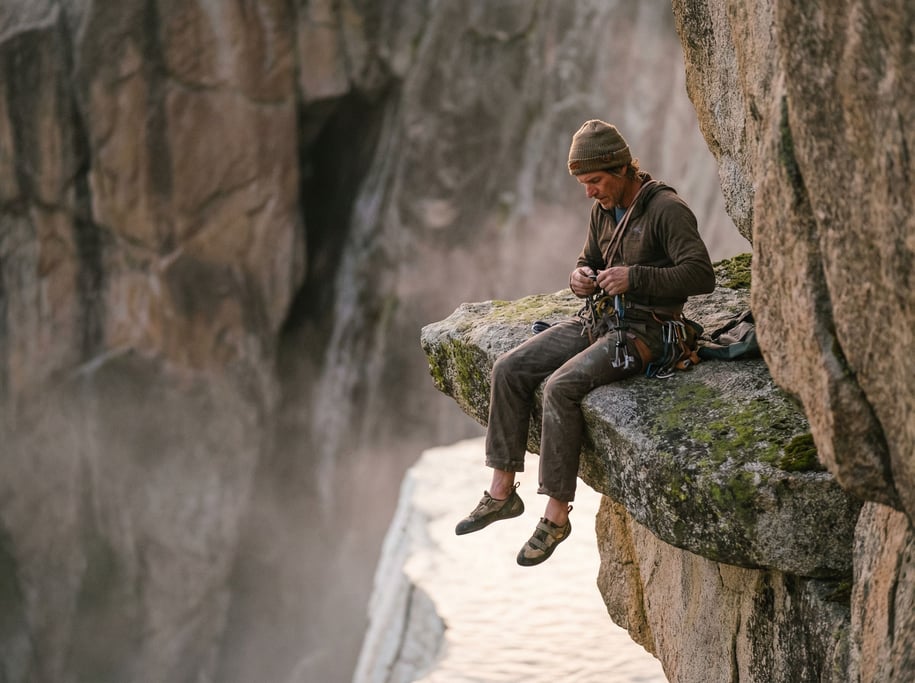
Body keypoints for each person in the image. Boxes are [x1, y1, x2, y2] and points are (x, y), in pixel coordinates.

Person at [455, 119, 716, 566]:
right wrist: (579, 279)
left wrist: (635, 277)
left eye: (594, 181)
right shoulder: (603, 211)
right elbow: (588, 262)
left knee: (561, 387)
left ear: (621, 169)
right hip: (598, 321)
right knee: (509, 369)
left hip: (645, 331)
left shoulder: (667, 209)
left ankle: (556, 517)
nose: (589, 192)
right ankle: (502, 492)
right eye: (583, 183)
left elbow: (702, 275)